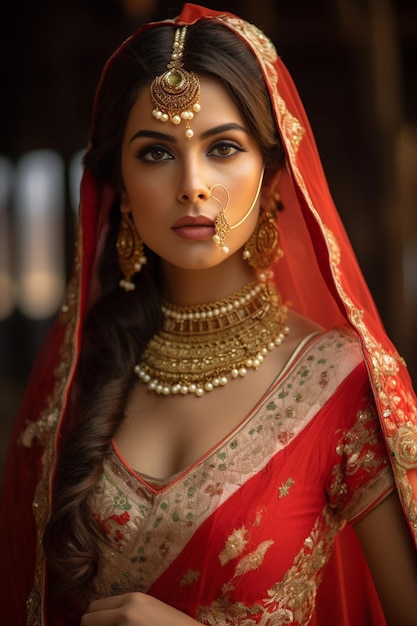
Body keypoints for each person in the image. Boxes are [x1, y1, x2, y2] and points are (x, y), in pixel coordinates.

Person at [1, 4, 417, 625]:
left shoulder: (346, 384)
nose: (192, 183)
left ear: (273, 174)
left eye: (222, 147)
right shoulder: (78, 375)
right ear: (120, 183)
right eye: (156, 154)